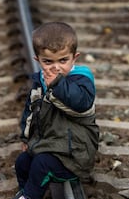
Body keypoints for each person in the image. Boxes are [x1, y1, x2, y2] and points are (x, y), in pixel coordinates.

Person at [13, 22, 99, 199]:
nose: (56, 67)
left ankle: (30, 196)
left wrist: (57, 84)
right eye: (48, 61)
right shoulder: (40, 82)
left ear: (74, 58)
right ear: (37, 60)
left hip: (74, 151)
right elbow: (30, 112)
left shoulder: (82, 81)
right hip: (49, 145)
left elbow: (80, 102)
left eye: (63, 60)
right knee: (22, 162)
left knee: (41, 164)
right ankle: (25, 191)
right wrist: (26, 137)